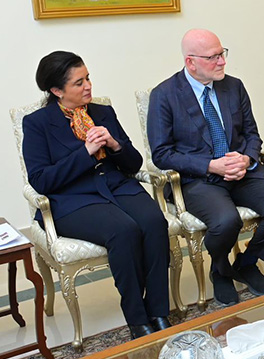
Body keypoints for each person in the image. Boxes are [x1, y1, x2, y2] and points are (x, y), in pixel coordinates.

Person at [22, 51, 171, 340]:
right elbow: (41, 180)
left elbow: (134, 164)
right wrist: (86, 152)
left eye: (88, 78)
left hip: (116, 186)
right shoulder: (37, 123)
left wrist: (115, 145)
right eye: (79, 83)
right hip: (72, 199)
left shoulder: (102, 112)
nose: (88, 86)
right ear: (56, 91)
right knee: (123, 230)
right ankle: (137, 318)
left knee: (154, 222)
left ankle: (158, 311)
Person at [148, 28, 264, 306]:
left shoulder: (234, 86)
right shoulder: (165, 95)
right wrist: (210, 165)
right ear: (190, 61)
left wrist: (247, 159)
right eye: (213, 57)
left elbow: (252, 134)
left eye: (222, 53)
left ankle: (246, 263)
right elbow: (162, 154)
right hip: (198, 179)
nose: (222, 62)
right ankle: (220, 269)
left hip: (241, 172)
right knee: (227, 221)